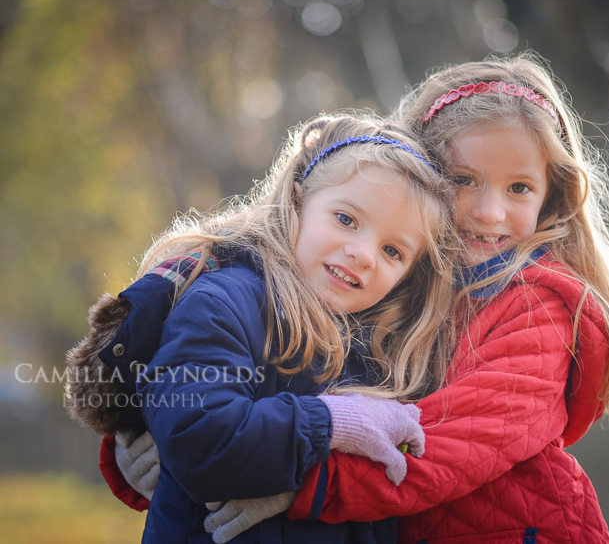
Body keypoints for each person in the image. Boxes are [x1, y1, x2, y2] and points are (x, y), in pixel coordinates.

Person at [208, 51, 609, 544]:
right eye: (463, 180)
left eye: (519, 188)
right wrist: (158, 443)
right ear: (419, 175)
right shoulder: (384, 273)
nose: (490, 212)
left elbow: (449, 444)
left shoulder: (540, 310)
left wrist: (295, 481)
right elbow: (255, 372)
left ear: (550, 196)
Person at [76, 111, 460, 543]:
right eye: (346, 219)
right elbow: (201, 440)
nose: (364, 254)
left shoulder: (386, 354)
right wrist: (331, 422)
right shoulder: (223, 303)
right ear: (297, 203)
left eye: (393, 251)